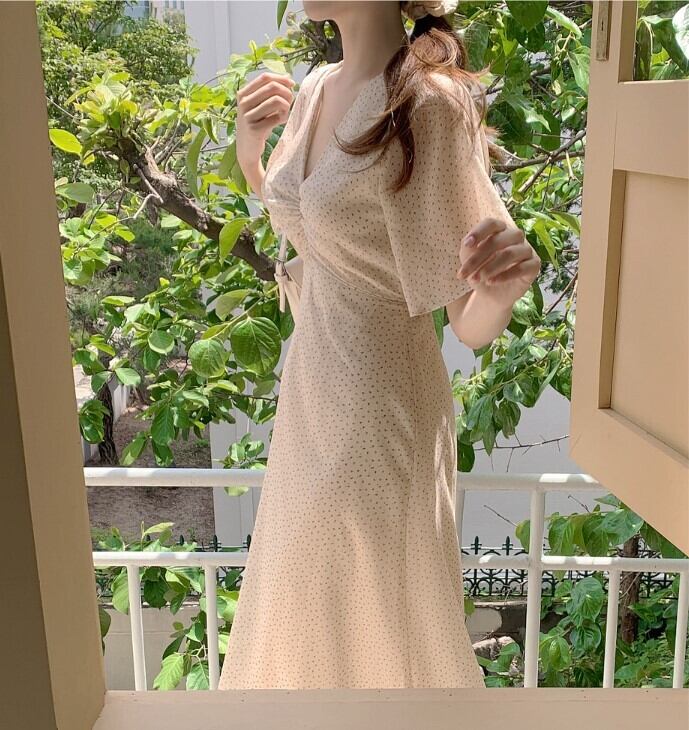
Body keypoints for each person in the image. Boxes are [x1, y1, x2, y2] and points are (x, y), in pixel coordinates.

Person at [219, 0, 540, 689]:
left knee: (380, 613)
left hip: (380, 403)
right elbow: (312, 230)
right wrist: (251, 155)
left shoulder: (428, 103)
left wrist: (503, 288)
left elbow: (465, 319)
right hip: (311, 393)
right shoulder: (314, 88)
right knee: (303, 607)